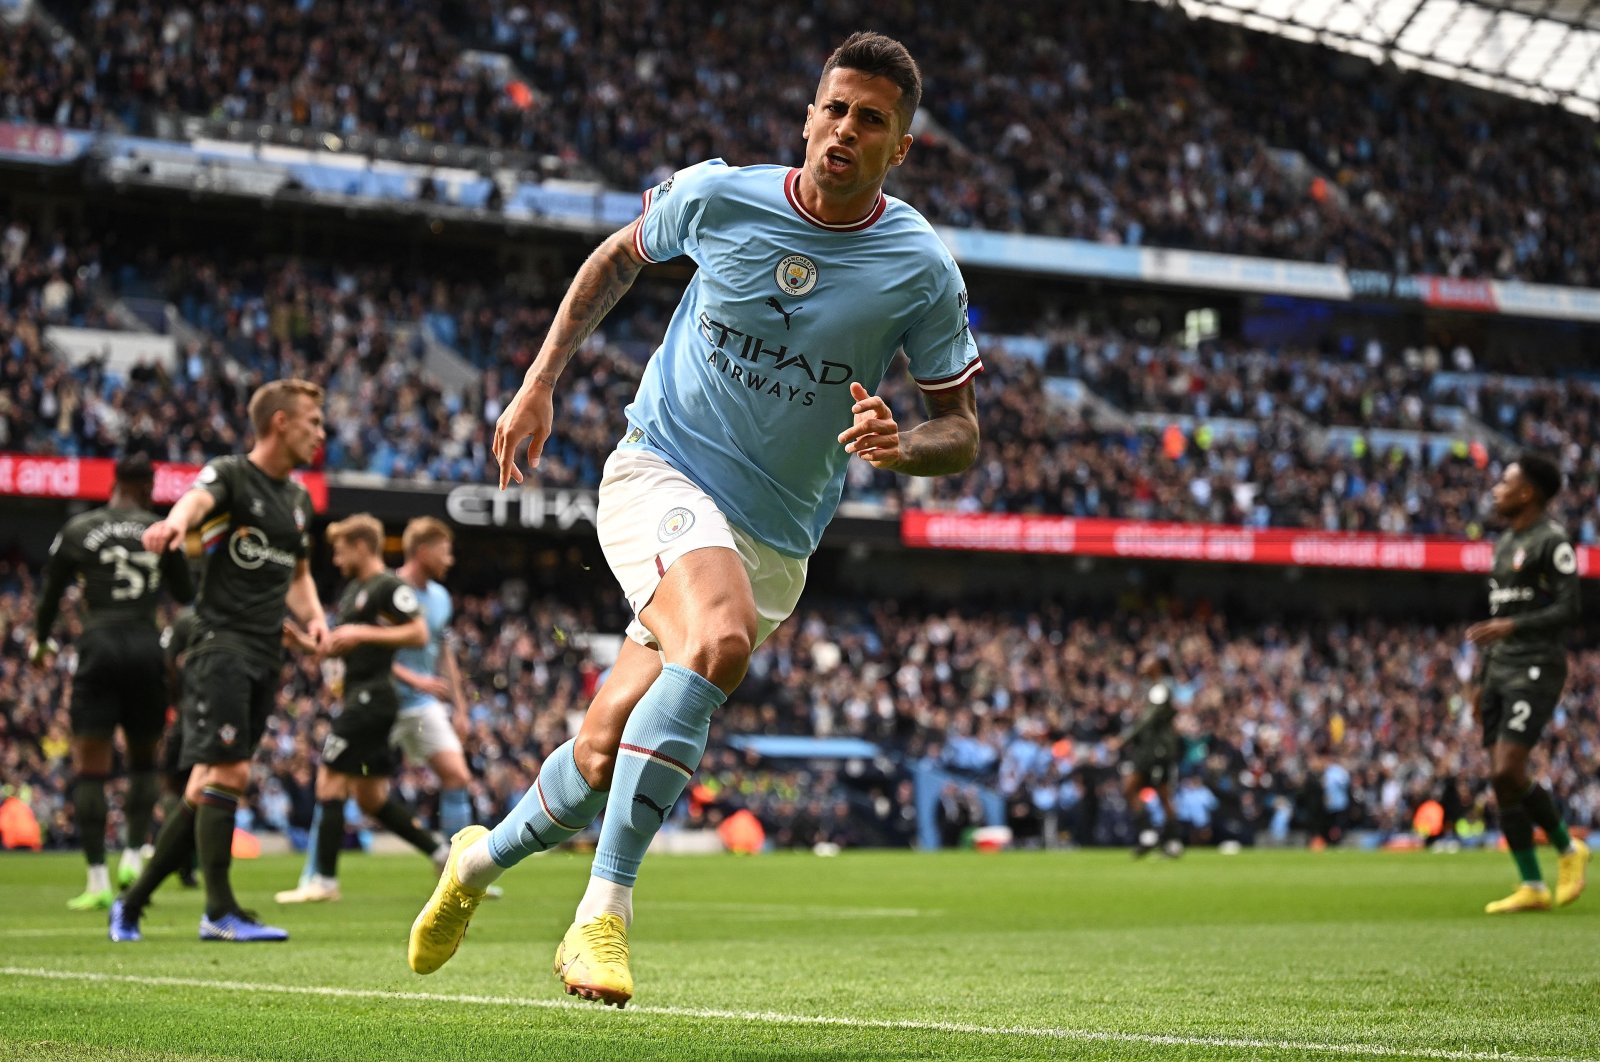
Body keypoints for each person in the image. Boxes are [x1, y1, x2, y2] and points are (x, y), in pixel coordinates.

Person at [409, 31, 981, 1007]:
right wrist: (540, 382)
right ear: (808, 115)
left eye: (870, 119)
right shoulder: (723, 196)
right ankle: (603, 914)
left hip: (775, 538)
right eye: (833, 108)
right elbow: (616, 258)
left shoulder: (919, 269)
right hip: (658, 472)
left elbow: (959, 430)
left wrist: (902, 442)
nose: (844, 129)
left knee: (599, 755)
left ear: (901, 148)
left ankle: (473, 864)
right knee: (714, 640)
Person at [110, 379, 329, 943]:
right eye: (312, 421)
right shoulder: (230, 474)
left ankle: (130, 904)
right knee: (229, 772)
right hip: (219, 646)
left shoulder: (299, 500)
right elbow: (196, 500)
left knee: (204, 783)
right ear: (280, 422)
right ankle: (219, 911)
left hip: (266, 651)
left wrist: (315, 620)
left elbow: (299, 575)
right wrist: (176, 525)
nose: (320, 432)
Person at [29, 453, 195, 910]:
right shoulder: (162, 529)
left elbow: (49, 596)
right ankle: (133, 856)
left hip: (98, 644)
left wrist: (41, 643)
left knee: (90, 767)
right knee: (144, 762)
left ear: (114, 483)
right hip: (146, 645)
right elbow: (184, 594)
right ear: (148, 488)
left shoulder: (81, 528)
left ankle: (98, 879)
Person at [285, 516, 476, 894]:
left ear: (360, 545)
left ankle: (321, 879)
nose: (336, 561)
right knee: (371, 798)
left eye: (340, 551)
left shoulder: (388, 586)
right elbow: (341, 645)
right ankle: (439, 850)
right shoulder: (353, 590)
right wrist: (305, 645)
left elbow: (419, 633)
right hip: (364, 695)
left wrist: (361, 631)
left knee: (330, 778)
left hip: (373, 697)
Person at [1467, 453, 1589, 913]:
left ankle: (1567, 847)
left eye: (1505, 482)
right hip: (1499, 669)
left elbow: (1569, 608)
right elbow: (1499, 619)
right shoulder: (1503, 544)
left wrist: (1514, 627)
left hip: (1537, 664)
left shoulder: (1552, 540)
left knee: (1507, 770)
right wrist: (1480, 683)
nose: (1497, 489)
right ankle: (1533, 886)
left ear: (1529, 492)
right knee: (1502, 784)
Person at [1117, 652, 1182, 859]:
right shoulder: (1150, 687)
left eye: (1147, 661)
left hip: (1157, 750)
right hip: (1147, 749)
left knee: (1161, 794)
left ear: (1157, 666)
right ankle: (1152, 836)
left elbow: (1148, 718)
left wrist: (1124, 738)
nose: (1142, 664)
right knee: (1135, 790)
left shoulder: (1162, 688)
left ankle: (1168, 840)